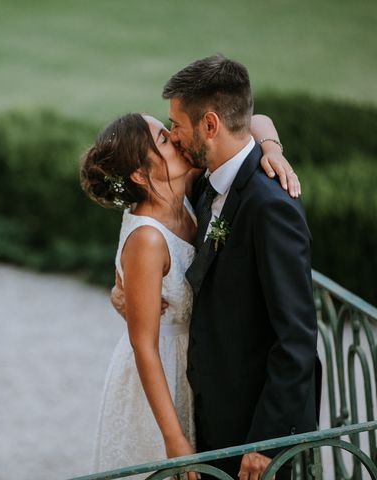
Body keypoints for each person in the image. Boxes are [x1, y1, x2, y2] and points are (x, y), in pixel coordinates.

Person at [112, 55, 319, 480]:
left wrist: (268, 437)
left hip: (254, 433)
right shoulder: (206, 182)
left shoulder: (269, 206)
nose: (173, 135)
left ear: (210, 125)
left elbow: (297, 338)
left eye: (177, 125)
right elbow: (255, 119)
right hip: (209, 411)